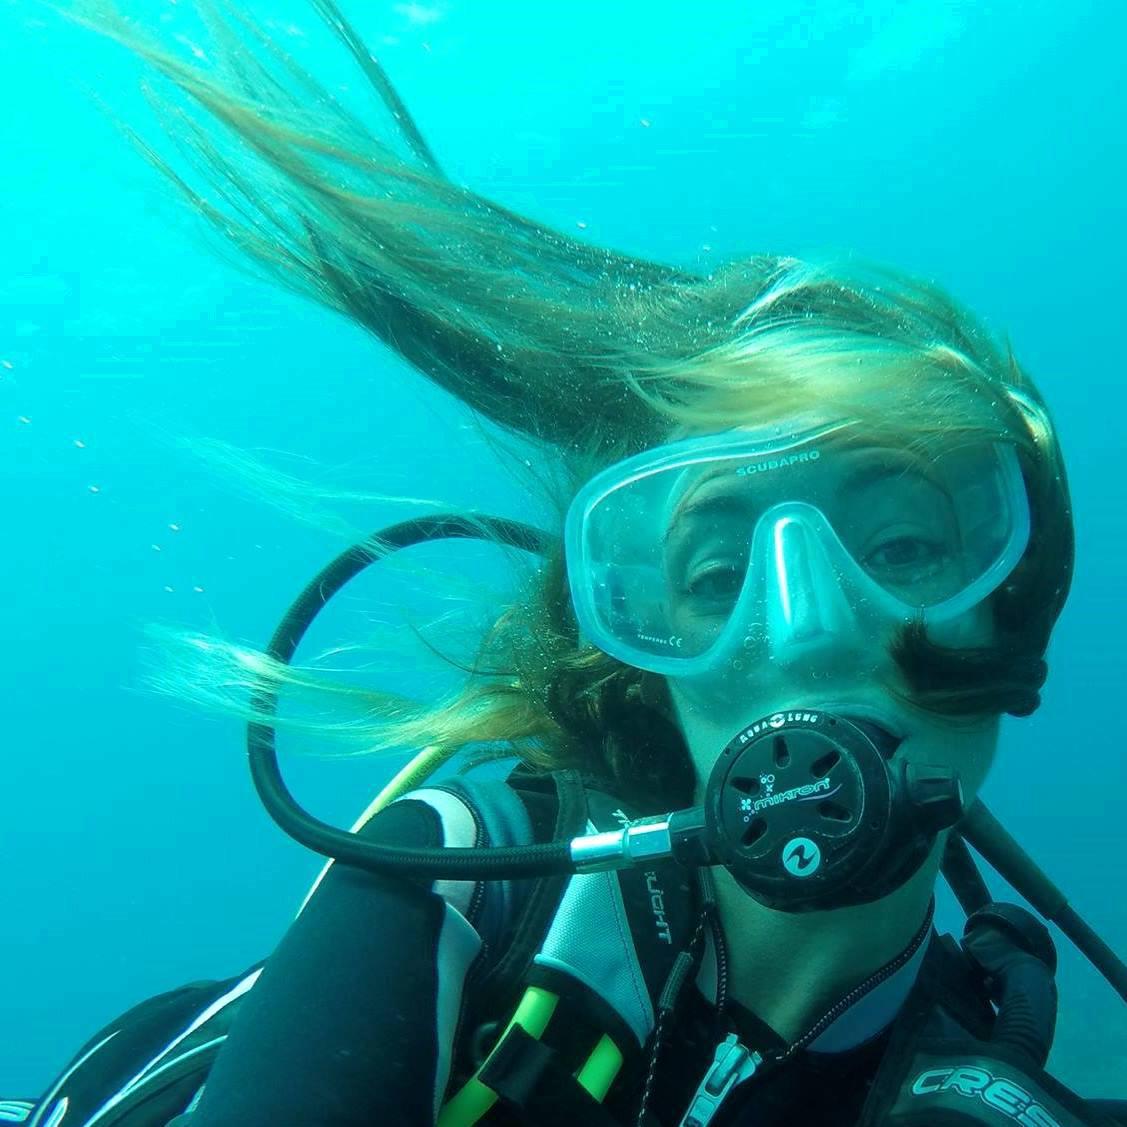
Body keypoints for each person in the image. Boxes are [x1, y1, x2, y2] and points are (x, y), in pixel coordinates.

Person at [12, 3, 1127, 1126]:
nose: (806, 628)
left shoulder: (982, 1064)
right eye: (709, 577)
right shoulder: (470, 883)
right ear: (643, 657)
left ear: (1014, 607)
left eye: (899, 545)